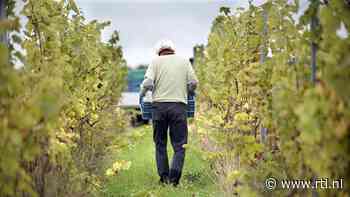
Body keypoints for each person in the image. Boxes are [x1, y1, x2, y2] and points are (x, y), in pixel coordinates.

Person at [139, 39, 198, 186]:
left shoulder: (155, 62)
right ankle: (174, 179)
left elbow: (148, 83)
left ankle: (164, 178)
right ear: (173, 50)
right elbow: (193, 83)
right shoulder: (184, 61)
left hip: (159, 107)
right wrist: (187, 91)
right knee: (180, 145)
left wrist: (141, 94)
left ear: (159, 51)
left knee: (160, 144)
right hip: (179, 107)